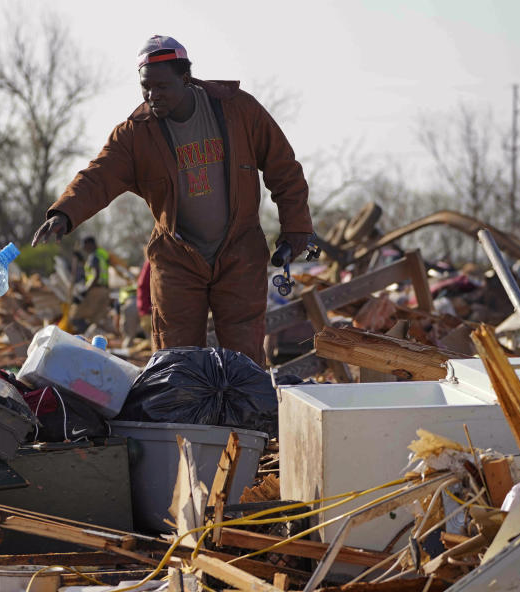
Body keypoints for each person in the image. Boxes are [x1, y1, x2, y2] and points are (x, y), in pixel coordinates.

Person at [32, 35, 313, 365]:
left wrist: (295, 229)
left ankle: (245, 416)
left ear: (185, 78)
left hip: (239, 252)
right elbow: (99, 175)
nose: (153, 96)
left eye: (162, 87)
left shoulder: (238, 111)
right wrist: (65, 213)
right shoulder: (135, 134)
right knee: (175, 358)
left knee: (244, 357)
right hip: (177, 259)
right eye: (145, 88)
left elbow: (284, 168)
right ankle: (181, 416)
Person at [70, 236, 113, 332]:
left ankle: (83, 338)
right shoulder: (102, 254)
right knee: (96, 319)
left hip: (95, 290)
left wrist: (85, 291)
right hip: (105, 290)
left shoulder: (93, 257)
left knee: (75, 316)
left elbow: (95, 275)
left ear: (90, 244)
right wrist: (82, 260)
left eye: (84, 246)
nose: (84, 248)